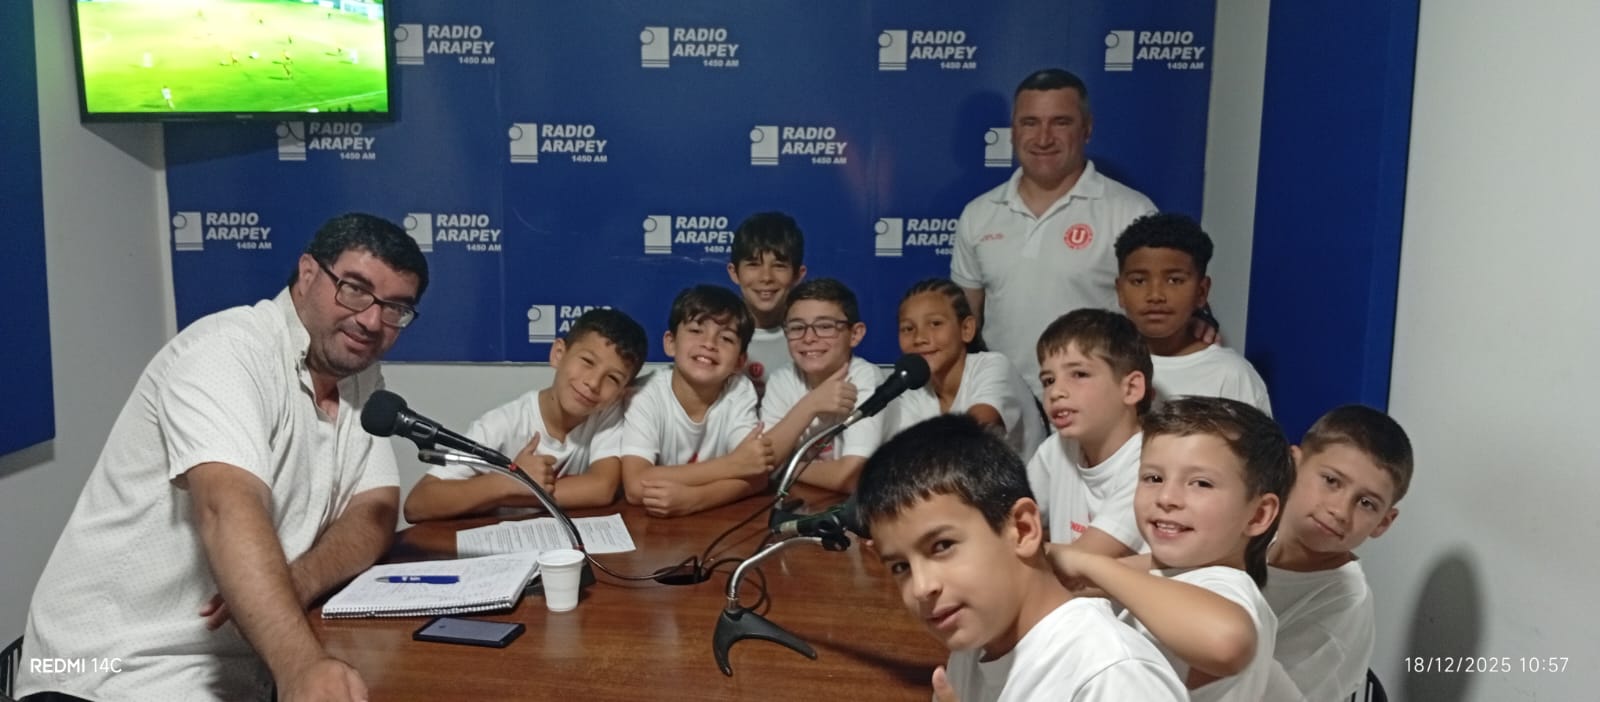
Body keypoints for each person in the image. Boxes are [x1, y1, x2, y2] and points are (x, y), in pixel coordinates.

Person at [17, 213, 429, 701]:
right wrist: (300, 666)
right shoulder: (228, 351)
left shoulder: (359, 375)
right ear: (307, 273)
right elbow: (226, 507)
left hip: (237, 671)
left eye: (395, 308)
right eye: (355, 290)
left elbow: (375, 508)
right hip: (114, 673)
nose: (371, 321)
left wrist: (300, 580)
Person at [858, 414, 1186, 701]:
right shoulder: (974, 647)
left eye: (942, 546)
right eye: (901, 567)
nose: (921, 588)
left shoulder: (1109, 675)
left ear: (1024, 529)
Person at [1050, 396, 1295, 701]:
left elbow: (1226, 640)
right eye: (1153, 478)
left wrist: (1090, 564)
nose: (1166, 497)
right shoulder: (1177, 575)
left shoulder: (1226, 586)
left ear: (1258, 515)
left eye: (1201, 483)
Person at [951, 68, 1158, 401]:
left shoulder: (1131, 212)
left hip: (1095, 404)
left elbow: (1158, 312)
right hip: (1002, 404)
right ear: (1013, 130)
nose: (1043, 138)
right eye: (1030, 123)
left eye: (1060, 122)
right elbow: (965, 322)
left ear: (1087, 128)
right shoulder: (979, 213)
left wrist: (1200, 321)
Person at [402, 308, 649, 521]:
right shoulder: (502, 424)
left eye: (612, 378)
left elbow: (601, 489)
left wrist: (522, 491)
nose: (593, 383)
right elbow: (418, 504)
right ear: (558, 354)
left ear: (621, 392)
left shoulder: (607, 415)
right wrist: (505, 483)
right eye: (587, 361)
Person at [1263, 405, 1413, 701]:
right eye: (1331, 481)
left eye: (1366, 503)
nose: (1340, 511)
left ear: (1383, 522)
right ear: (1292, 466)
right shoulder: (1252, 522)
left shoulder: (1345, 605)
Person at [618, 285, 774, 517]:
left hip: (711, 520)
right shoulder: (646, 394)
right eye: (696, 331)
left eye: (726, 338)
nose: (709, 344)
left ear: (740, 361)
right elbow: (635, 485)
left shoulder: (739, 391)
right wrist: (732, 465)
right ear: (671, 343)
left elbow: (757, 476)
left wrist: (696, 499)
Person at [1114, 212, 1271, 414]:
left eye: (1175, 280)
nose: (1155, 295)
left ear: (1201, 292)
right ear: (1120, 291)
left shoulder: (1231, 375)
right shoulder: (1098, 365)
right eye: (1139, 281)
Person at [1027, 309, 1152, 558]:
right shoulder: (1055, 449)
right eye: (1048, 380)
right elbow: (1007, 519)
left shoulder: (1151, 462)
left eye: (1079, 374)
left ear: (1131, 388)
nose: (1056, 392)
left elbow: (1083, 561)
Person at [889, 278, 1044, 458]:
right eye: (908, 329)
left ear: (966, 329)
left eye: (935, 324)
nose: (919, 338)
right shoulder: (912, 390)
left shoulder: (993, 365)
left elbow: (973, 433)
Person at [759, 278, 886, 493]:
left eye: (825, 326)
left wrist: (785, 467)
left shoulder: (866, 378)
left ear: (855, 334)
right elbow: (763, 463)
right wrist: (811, 405)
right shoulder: (782, 379)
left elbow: (852, 477)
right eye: (797, 327)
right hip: (809, 497)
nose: (809, 338)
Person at [726, 211, 806, 397]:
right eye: (753, 265)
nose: (766, 277)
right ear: (734, 272)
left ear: (798, 275)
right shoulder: (713, 336)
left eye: (779, 266)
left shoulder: (813, 339)